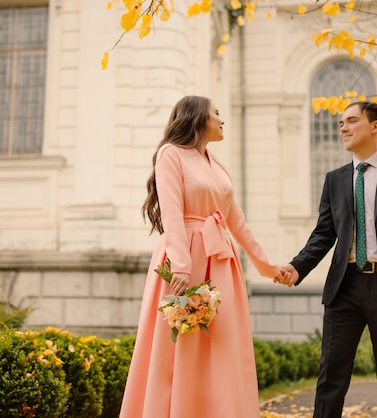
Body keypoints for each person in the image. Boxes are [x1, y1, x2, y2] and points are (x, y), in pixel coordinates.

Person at [119, 95, 283, 418]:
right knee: (183, 347)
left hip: (222, 263)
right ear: (197, 118)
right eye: (216, 114)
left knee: (221, 348)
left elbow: (237, 222)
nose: (222, 120)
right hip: (186, 260)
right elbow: (172, 211)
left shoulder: (217, 165)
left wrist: (267, 267)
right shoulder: (171, 154)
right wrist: (180, 264)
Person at [278, 101, 377, 418]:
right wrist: (297, 267)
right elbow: (324, 234)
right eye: (340, 124)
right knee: (330, 378)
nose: (344, 128)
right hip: (344, 286)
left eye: (352, 121)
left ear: (374, 125)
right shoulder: (335, 179)